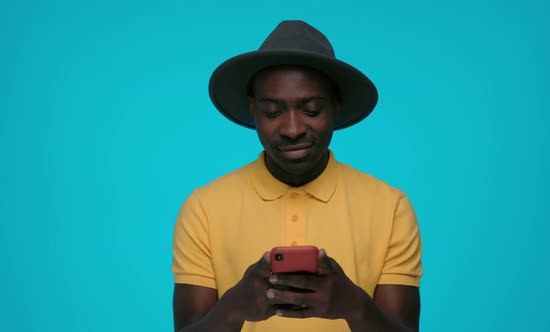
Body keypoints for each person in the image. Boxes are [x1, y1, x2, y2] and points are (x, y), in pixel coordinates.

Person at [172, 20, 423, 332]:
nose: (292, 129)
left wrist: (353, 306)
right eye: (273, 112)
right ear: (253, 109)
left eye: (312, 110)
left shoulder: (391, 207)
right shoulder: (204, 208)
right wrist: (234, 307)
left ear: (336, 106)